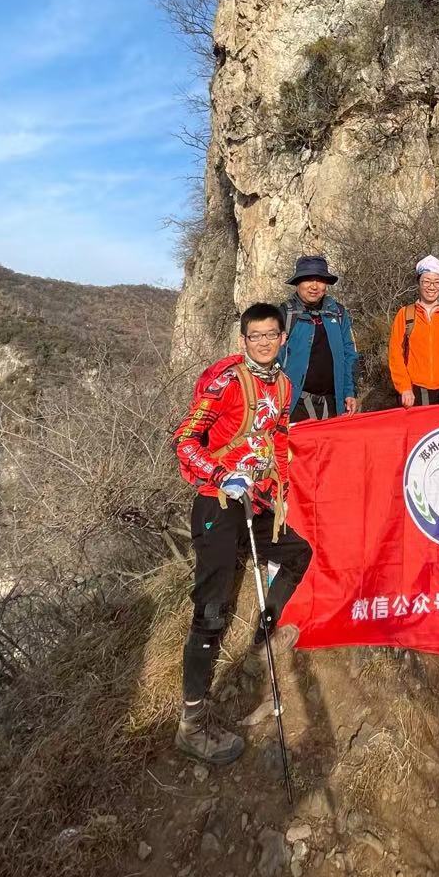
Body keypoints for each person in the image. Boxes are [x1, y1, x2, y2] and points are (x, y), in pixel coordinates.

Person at [171, 302, 313, 765]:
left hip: (256, 501)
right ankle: (192, 721)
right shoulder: (227, 381)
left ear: (282, 337)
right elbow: (185, 439)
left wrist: (279, 487)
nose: (265, 342)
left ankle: (262, 640)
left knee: (298, 553)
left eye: (272, 334)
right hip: (218, 501)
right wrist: (218, 474)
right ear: (243, 339)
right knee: (212, 608)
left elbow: (275, 435)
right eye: (256, 336)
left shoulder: (285, 383)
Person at [279, 254, 360, 422]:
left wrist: (349, 392)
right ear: (297, 283)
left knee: (332, 448)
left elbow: (349, 354)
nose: (314, 286)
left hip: (333, 403)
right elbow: (272, 360)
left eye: (320, 280)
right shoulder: (285, 314)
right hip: (295, 404)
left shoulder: (337, 313)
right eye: (308, 279)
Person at [388, 255, 439, 407]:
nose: (431, 287)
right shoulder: (405, 315)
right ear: (418, 283)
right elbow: (395, 355)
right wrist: (404, 387)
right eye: (426, 281)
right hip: (414, 394)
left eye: (437, 282)